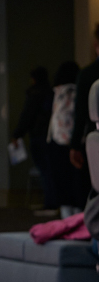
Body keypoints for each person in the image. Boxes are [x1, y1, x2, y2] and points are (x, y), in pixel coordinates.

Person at [44, 62, 86, 215]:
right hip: (77, 142)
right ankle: (79, 218)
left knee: (62, 184)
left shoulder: (57, 92)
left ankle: (66, 217)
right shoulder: (79, 91)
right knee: (78, 184)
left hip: (57, 142)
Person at [11, 66, 55, 208]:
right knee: (49, 169)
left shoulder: (35, 94)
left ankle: (50, 202)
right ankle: (52, 201)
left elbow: (27, 116)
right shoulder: (51, 92)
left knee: (45, 169)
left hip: (38, 135)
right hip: (51, 135)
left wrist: (17, 134)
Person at [68, 25, 99, 179]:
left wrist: (75, 145)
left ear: (96, 44)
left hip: (95, 135)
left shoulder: (88, 74)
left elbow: (80, 113)